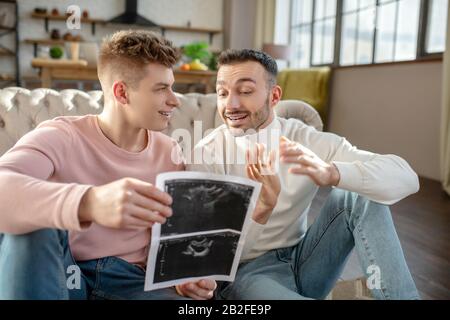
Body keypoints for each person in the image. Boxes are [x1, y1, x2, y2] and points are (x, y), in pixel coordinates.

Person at [188, 49, 421, 300]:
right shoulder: (207, 154)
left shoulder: (303, 138)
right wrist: (263, 208)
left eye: (245, 92)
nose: (231, 105)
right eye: (222, 93)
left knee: (357, 196)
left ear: (274, 96)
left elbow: (407, 177)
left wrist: (332, 173)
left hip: (306, 259)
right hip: (246, 273)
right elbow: (211, 255)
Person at [0, 30, 216, 300]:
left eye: (172, 87)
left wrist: (185, 275)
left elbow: (175, 236)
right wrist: (89, 202)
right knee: (31, 222)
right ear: (122, 92)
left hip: (131, 279)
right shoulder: (62, 135)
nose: (175, 100)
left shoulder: (168, 151)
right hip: (65, 270)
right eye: (162, 88)